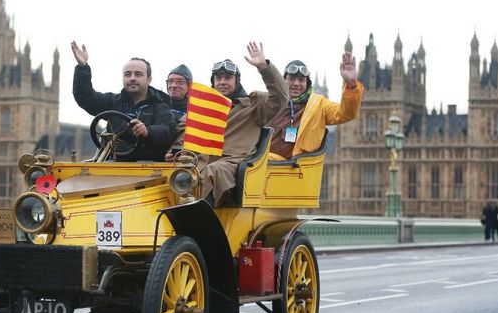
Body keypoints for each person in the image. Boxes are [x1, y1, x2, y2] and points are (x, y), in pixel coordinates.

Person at [171, 41, 288, 206]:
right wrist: (174, 151)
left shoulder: (253, 105)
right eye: (218, 78)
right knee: (176, 173)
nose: (222, 82)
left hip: (233, 163)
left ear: (237, 81)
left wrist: (264, 68)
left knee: (212, 172)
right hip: (202, 160)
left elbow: (281, 97)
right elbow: (185, 132)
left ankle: (197, 223)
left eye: (228, 78)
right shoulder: (205, 108)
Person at [71, 41, 176, 161]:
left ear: (149, 80)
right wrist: (82, 68)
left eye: (138, 74)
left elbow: (167, 131)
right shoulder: (114, 102)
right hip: (114, 164)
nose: (132, 78)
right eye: (127, 74)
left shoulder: (160, 106)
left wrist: (147, 131)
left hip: (148, 167)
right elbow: (86, 98)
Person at [267, 51, 363, 160]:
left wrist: (351, 85)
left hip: (300, 171)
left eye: (301, 80)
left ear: (307, 83)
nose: (296, 84)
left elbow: (346, 113)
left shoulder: (319, 105)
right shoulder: (271, 103)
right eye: (292, 79)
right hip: (266, 170)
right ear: (284, 80)